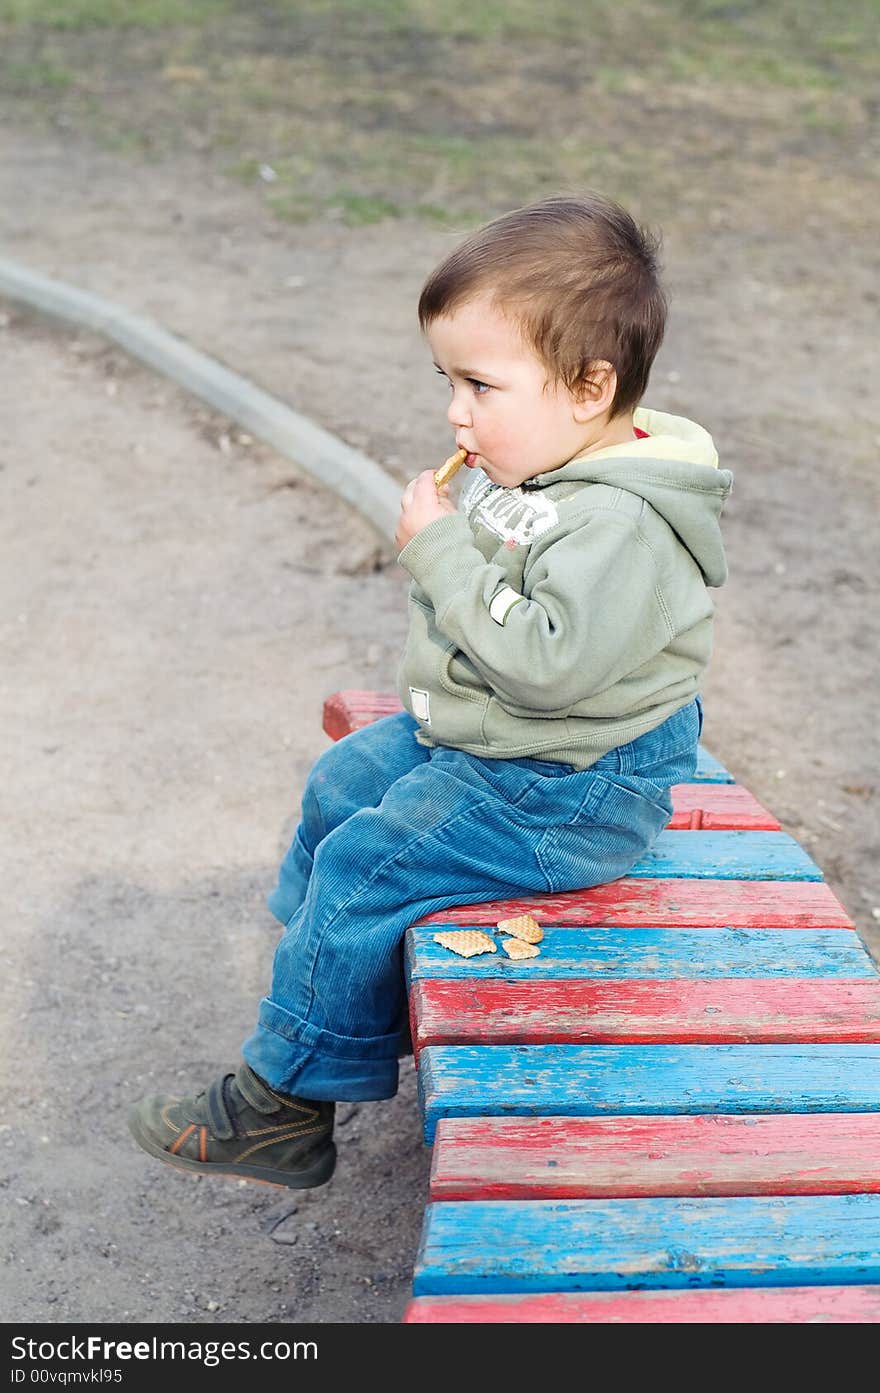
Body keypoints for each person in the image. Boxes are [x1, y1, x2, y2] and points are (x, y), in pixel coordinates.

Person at [128, 192, 733, 1189]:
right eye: (446, 379)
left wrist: (442, 552)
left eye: (480, 385)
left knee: (370, 861)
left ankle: (281, 1105)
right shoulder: (552, 452)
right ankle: (331, 990)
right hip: (504, 743)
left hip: (571, 786)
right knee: (343, 781)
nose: (456, 411)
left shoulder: (621, 523)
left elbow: (544, 665)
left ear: (589, 386)